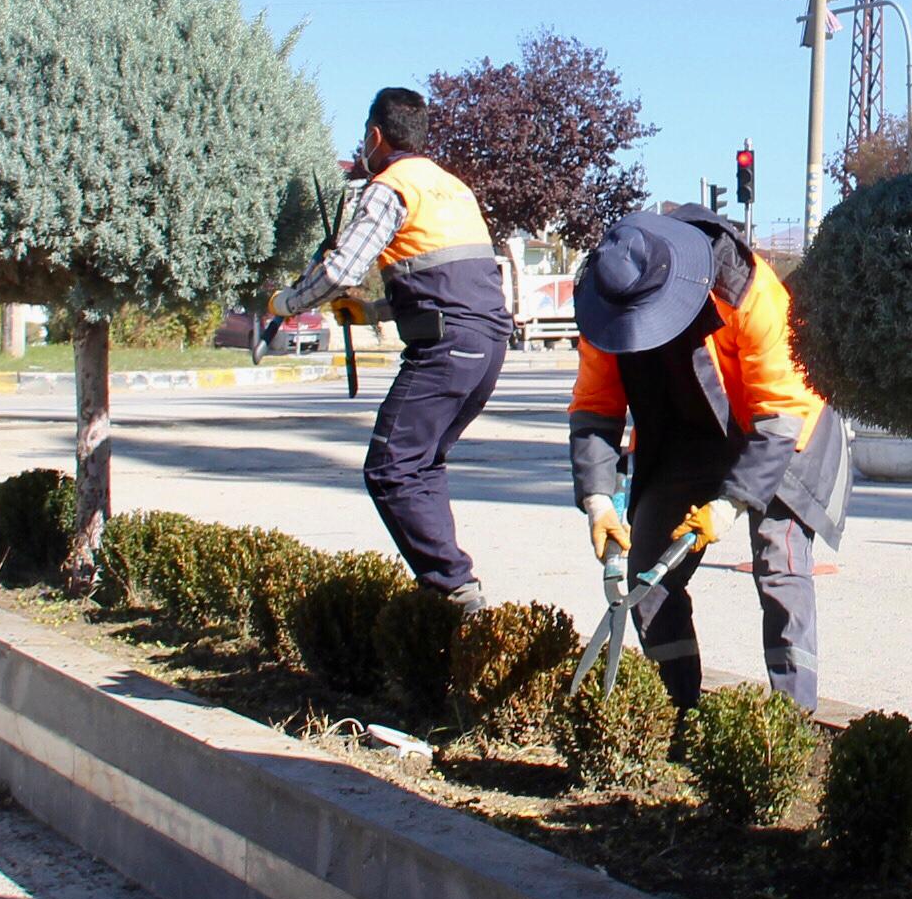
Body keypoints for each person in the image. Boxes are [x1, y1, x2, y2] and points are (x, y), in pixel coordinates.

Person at [567, 205, 848, 709]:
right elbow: (594, 407)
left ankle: (790, 721)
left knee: (778, 563)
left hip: (784, 431)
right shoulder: (607, 300)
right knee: (649, 572)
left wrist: (732, 502)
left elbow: (781, 411)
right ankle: (678, 710)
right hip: (689, 434)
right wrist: (598, 500)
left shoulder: (743, 286)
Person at [275, 87, 512, 609]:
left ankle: (453, 587)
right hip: (487, 345)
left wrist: (285, 303)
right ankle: (445, 590)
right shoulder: (451, 187)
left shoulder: (387, 187)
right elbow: (446, 279)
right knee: (423, 464)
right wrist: (372, 312)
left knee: (390, 467)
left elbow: (339, 269)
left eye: (365, 135)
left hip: (446, 349)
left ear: (376, 136)